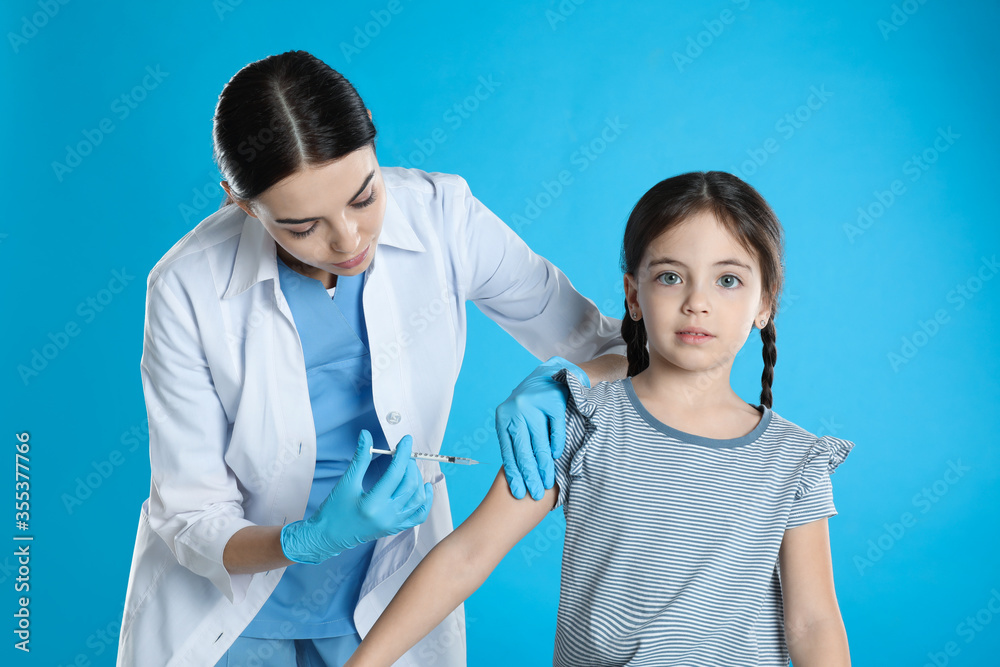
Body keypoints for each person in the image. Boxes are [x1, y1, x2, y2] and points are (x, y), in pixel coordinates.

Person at [115, 49, 629, 667]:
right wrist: (307, 540)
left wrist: (568, 382)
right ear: (240, 202)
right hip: (233, 616)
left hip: (389, 601)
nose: (348, 239)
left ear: (370, 135)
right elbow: (191, 515)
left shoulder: (444, 216)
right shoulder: (185, 287)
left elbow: (622, 348)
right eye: (303, 227)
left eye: (364, 197)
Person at [342, 171, 856, 666]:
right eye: (671, 277)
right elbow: (467, 556)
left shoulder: (795, 460)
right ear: (634, 295)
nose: (697, 302)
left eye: (727, 280)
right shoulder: (579, 422)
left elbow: (812, 622)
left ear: (765, 303)